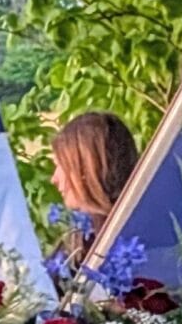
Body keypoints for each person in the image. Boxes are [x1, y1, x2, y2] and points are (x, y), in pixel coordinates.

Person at [46, 110, 139, 263]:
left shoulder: (95, 246)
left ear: (84, 170)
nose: (54, 179)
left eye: (59, 165)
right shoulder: (148, 222)